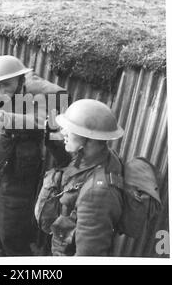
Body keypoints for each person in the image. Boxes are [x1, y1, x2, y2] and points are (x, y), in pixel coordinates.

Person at [0, 55, 69, 256]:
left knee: (12, 237)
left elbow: (41, 122)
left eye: (7, 85)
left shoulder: (42, 95)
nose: (2, 91)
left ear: (21, 80)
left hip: (16, 181)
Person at [42, 99, 125, 256]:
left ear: (89, 138)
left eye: (70, 129)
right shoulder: (97, 155)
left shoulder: (97, 194)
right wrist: (50, 135)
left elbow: (88, 255)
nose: (63, 132)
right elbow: (73, 166)